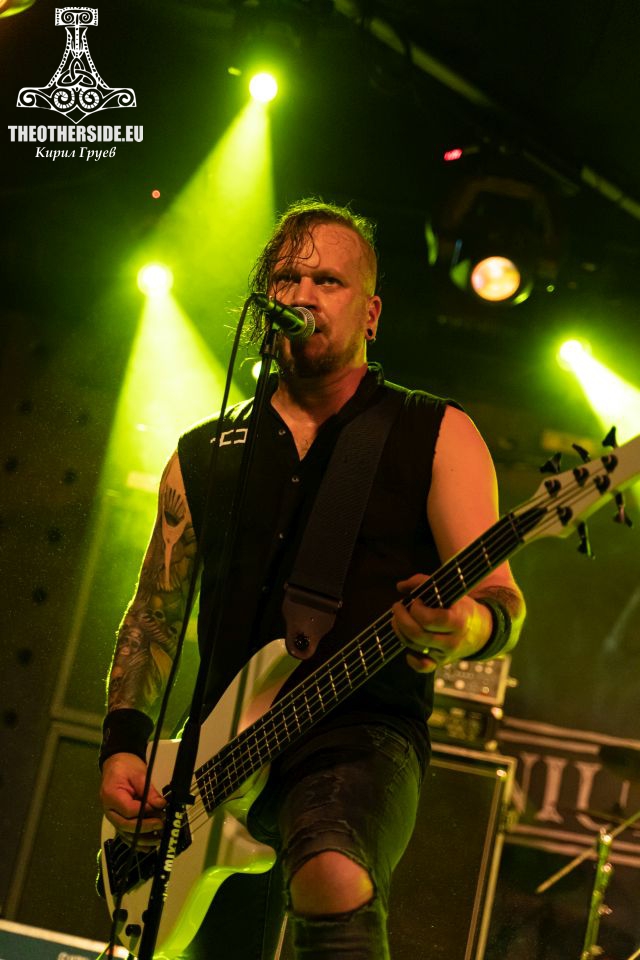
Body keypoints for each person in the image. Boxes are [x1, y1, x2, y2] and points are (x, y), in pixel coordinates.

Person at [99, 199, 525, 959]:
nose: (302, 294)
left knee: (332, 872)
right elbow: (154, 615)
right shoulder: (204, 451)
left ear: (371, 314)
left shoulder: (434, 433)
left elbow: (502, 599)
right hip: (216, 761)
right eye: (286, 278)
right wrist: (124, 748)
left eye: (328, 280)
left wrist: (464, 628)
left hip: (360, 730)